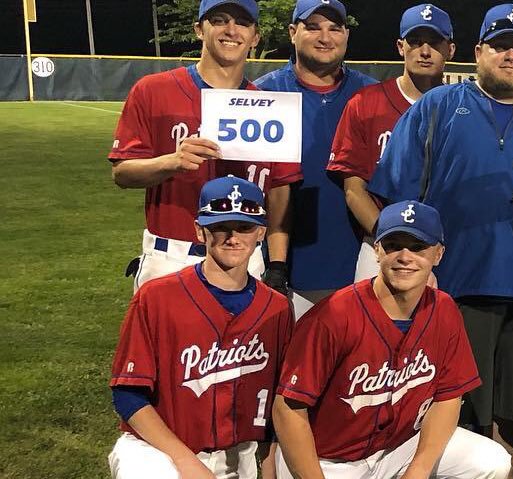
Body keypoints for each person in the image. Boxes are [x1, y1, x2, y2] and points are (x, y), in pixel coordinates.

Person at [368, 5, 513, 477]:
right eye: (500, 45)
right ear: (478, 52)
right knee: (451, 413)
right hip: (452, 289)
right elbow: (395, 197)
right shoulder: (437, 107)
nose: (510, 55)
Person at [272, 201, 513, 479]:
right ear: (376, 250)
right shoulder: (332, 316)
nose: (405, 256)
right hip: (328, 460)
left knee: (491, 461)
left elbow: (448, 397)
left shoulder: (444, 309)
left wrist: (418, 471)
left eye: (418, 247)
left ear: (438, 254)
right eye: (393, 245)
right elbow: (288, 411)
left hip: (400, 446)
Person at [108, 176, 292, 479]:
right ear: (199, 230)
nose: (233, 238)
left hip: (238, 454)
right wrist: (186, 463)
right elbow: (127, 394)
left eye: (244, 227)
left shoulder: (277, 308)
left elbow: (279, 396)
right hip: (157, 450)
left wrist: (270, 459)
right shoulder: (157, 297)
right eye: (220, 227)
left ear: (261, 232)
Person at [110, 0, 299, 290]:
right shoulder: (153, 90)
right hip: (172, 257)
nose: (231, 30)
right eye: (220, 20)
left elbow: (278, 190)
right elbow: (122, 173)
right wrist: (170, 162)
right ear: (199, 29)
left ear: (255, 37)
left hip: (246, 257)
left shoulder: (269, 107)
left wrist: (276, 266)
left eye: (242, 23)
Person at [255, 0, 378, 317]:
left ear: (346, 35)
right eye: (313, 27)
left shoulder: (372, 95)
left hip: (365, 258)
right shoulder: (261, 96)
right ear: (293, 33)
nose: (325, 37)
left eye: (334, 28)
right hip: (284, 266)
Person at [328, 3, 454, 283]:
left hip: (447, 249)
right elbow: (353, 190)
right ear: (400, 46)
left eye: (434, 43)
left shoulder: (463, 109)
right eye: (415, 41)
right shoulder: (366, 103)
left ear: (450, 50)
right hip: (382, 245)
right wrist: (391, 240)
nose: (424, 51)